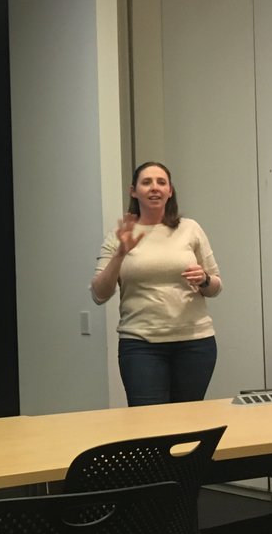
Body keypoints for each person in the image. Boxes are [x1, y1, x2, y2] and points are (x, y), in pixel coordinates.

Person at [90, 161, 221, 406]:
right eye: (147, 182)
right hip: (141, 345)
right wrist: (120, 253)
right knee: (149, 426)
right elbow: (99, 294)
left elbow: (215, 286)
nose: (155, 188)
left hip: (195, 343)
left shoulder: (190, 229)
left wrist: (204, 279)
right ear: (133, 191)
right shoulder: (119, 236)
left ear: (170, 191)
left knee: (189, 423)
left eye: (161, 182)